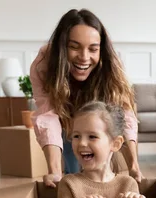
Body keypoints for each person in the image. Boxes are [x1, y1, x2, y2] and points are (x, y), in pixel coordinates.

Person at [30, 9, 142, 188]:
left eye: (92, 49)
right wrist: (54, 170)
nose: (84, 57)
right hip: (66, 122)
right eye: (74, 47)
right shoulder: (44, 63)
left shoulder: (110, 61)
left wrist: (134, 164)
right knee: (73, 179)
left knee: (103, 175)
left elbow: (124, 114)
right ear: (62, 46)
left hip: (100, 122)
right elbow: (47, 115)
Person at [57, 101, 146, 198]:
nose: (82, 143)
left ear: (115, 144)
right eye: (76, 136)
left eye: (92, 136)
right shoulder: (69, 184)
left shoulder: (128, 184)